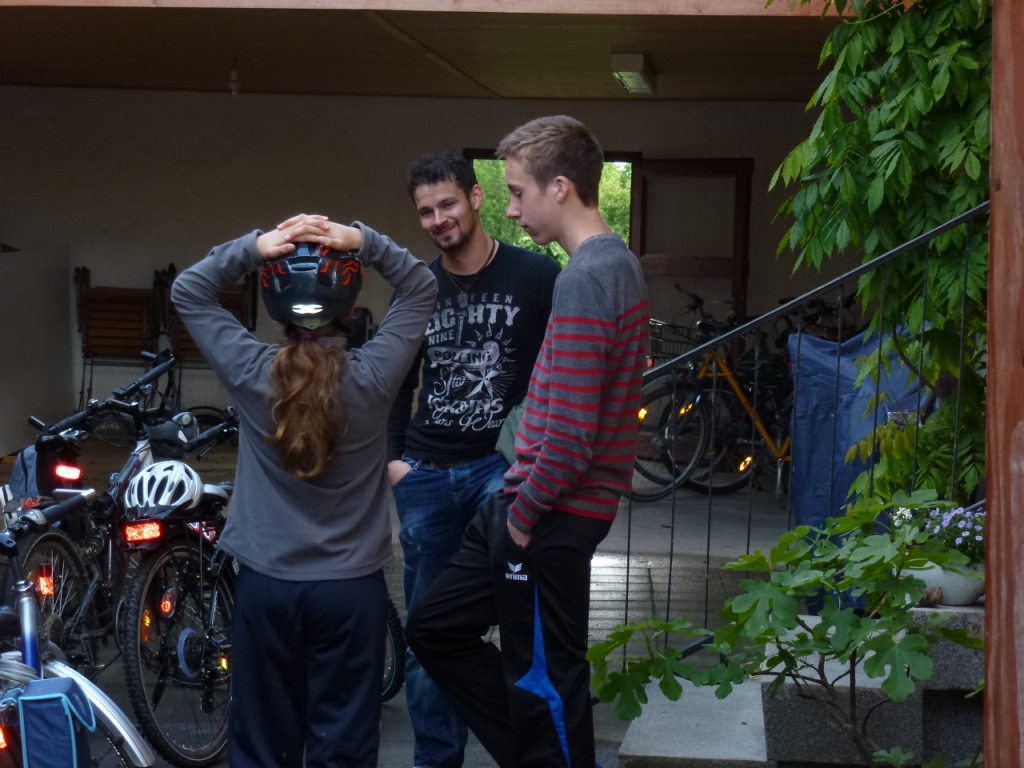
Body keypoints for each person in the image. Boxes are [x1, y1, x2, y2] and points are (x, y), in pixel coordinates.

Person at [406, 116, 650, 768]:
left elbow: (571, 435)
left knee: (546, 682)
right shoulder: (611, 265)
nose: (511, 210)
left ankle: (545, 754)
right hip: (527, 506)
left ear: (559, 187)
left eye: (518, 192)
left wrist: (522, 517)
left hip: (547, 514)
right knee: (434, 628)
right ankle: (533, 753)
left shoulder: (586, 277)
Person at [171, 213, 437, 768]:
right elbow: (421, 286)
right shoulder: (374, 375)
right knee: (345, 745)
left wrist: (256, 246)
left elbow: (189, 290)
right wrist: (362, 241)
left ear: (276, 308)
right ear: (349, 308)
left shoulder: (251, 371)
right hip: (351, 593)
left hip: (266, 588)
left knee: (262, 744)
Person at [388, 151, 560, 768]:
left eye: (448, 204)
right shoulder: (417, 286)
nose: (438, 219)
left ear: (476, 197)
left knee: (521, 623)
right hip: (426, 474)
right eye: (426, 212)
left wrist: (534, 463)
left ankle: (533, 752)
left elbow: (560, 372)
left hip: (500, 469)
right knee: (425, 636)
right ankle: (437, 761)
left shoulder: (536, 275)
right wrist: (394, 463)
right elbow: (395, 381)